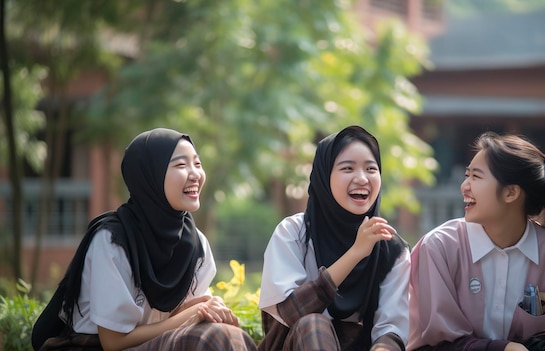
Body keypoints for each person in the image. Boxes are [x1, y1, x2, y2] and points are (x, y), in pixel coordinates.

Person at [32, 128, 257, 351]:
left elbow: (179, 313)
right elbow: (114, 342)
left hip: (154, 342)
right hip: (96, 347)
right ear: (149, 176)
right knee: (212, 338)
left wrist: (209, 307)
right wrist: (194, 313)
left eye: (197, 164)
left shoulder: (195, 242)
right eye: (181, 165)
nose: (195, 174)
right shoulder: (114, 241)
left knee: (227, 334)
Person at [407, 131, 545, 351]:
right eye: (467, 175)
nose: (464, 186)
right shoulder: (439, 247)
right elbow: (435, 340)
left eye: (476, 177)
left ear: (511, 193)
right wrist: (501, 348)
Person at [258, 125, 411, 351]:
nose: (362, 178)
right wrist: (356, 253)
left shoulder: (391, 247)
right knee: (313, 325)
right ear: (323, 176)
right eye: (347, 168)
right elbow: (290, 314)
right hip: (295, 344)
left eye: (371, 169)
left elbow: (391, 329)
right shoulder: (294, 233)